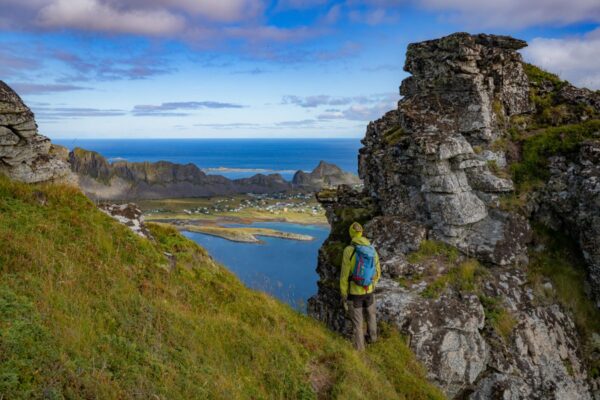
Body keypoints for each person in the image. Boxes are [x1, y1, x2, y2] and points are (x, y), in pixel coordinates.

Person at [339, 222, 381, 351]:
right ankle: (373, 340)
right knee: (371, 316)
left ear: (351, 234)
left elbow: (344, 275)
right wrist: (370, 284)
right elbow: (378, 272)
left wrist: (344, 295)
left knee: (358, 324)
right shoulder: (371, 249)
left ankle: (360, 350)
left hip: (355, 293)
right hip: (369, 291)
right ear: (361, 232)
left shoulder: (349, 250)